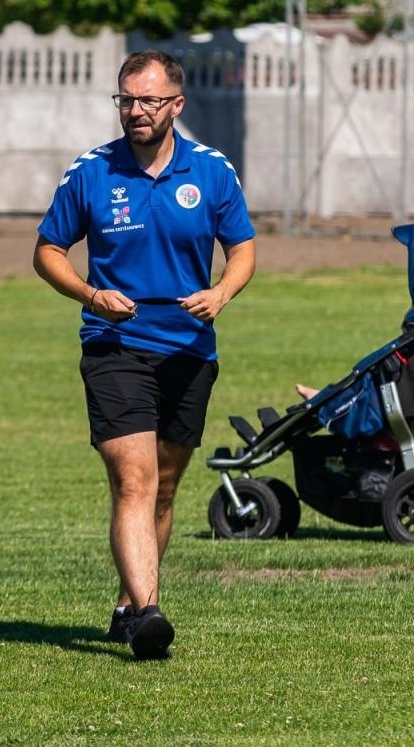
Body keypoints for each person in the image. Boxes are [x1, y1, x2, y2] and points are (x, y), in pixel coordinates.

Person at [34, 49, 256, 660]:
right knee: (134, 481)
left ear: (176, 106)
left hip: (189, 348)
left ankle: (129, 602)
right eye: (126, 100)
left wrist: (221, 292)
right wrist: (88, 293)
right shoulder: (91, 171)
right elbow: (48, 250)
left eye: (148, 101)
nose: (135, 111)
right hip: (115, 345)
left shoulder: (211, 171)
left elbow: (242, 249)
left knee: (163, 490)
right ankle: (150, 615)